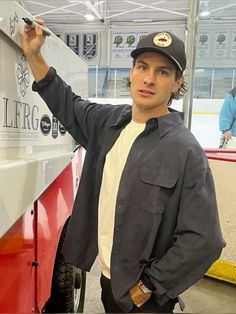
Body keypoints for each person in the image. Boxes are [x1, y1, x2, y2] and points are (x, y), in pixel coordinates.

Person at [21, 23, 225, 313]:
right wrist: (34, 55)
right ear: (131, 72)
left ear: (177, 82)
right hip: (108, 281)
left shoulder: (185, 150)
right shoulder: (108, 124)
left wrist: (149, 286)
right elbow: (64, 102)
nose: (149, 79)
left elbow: (205, 240)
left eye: (163, 72)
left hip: (146, 296)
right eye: (142, 67)